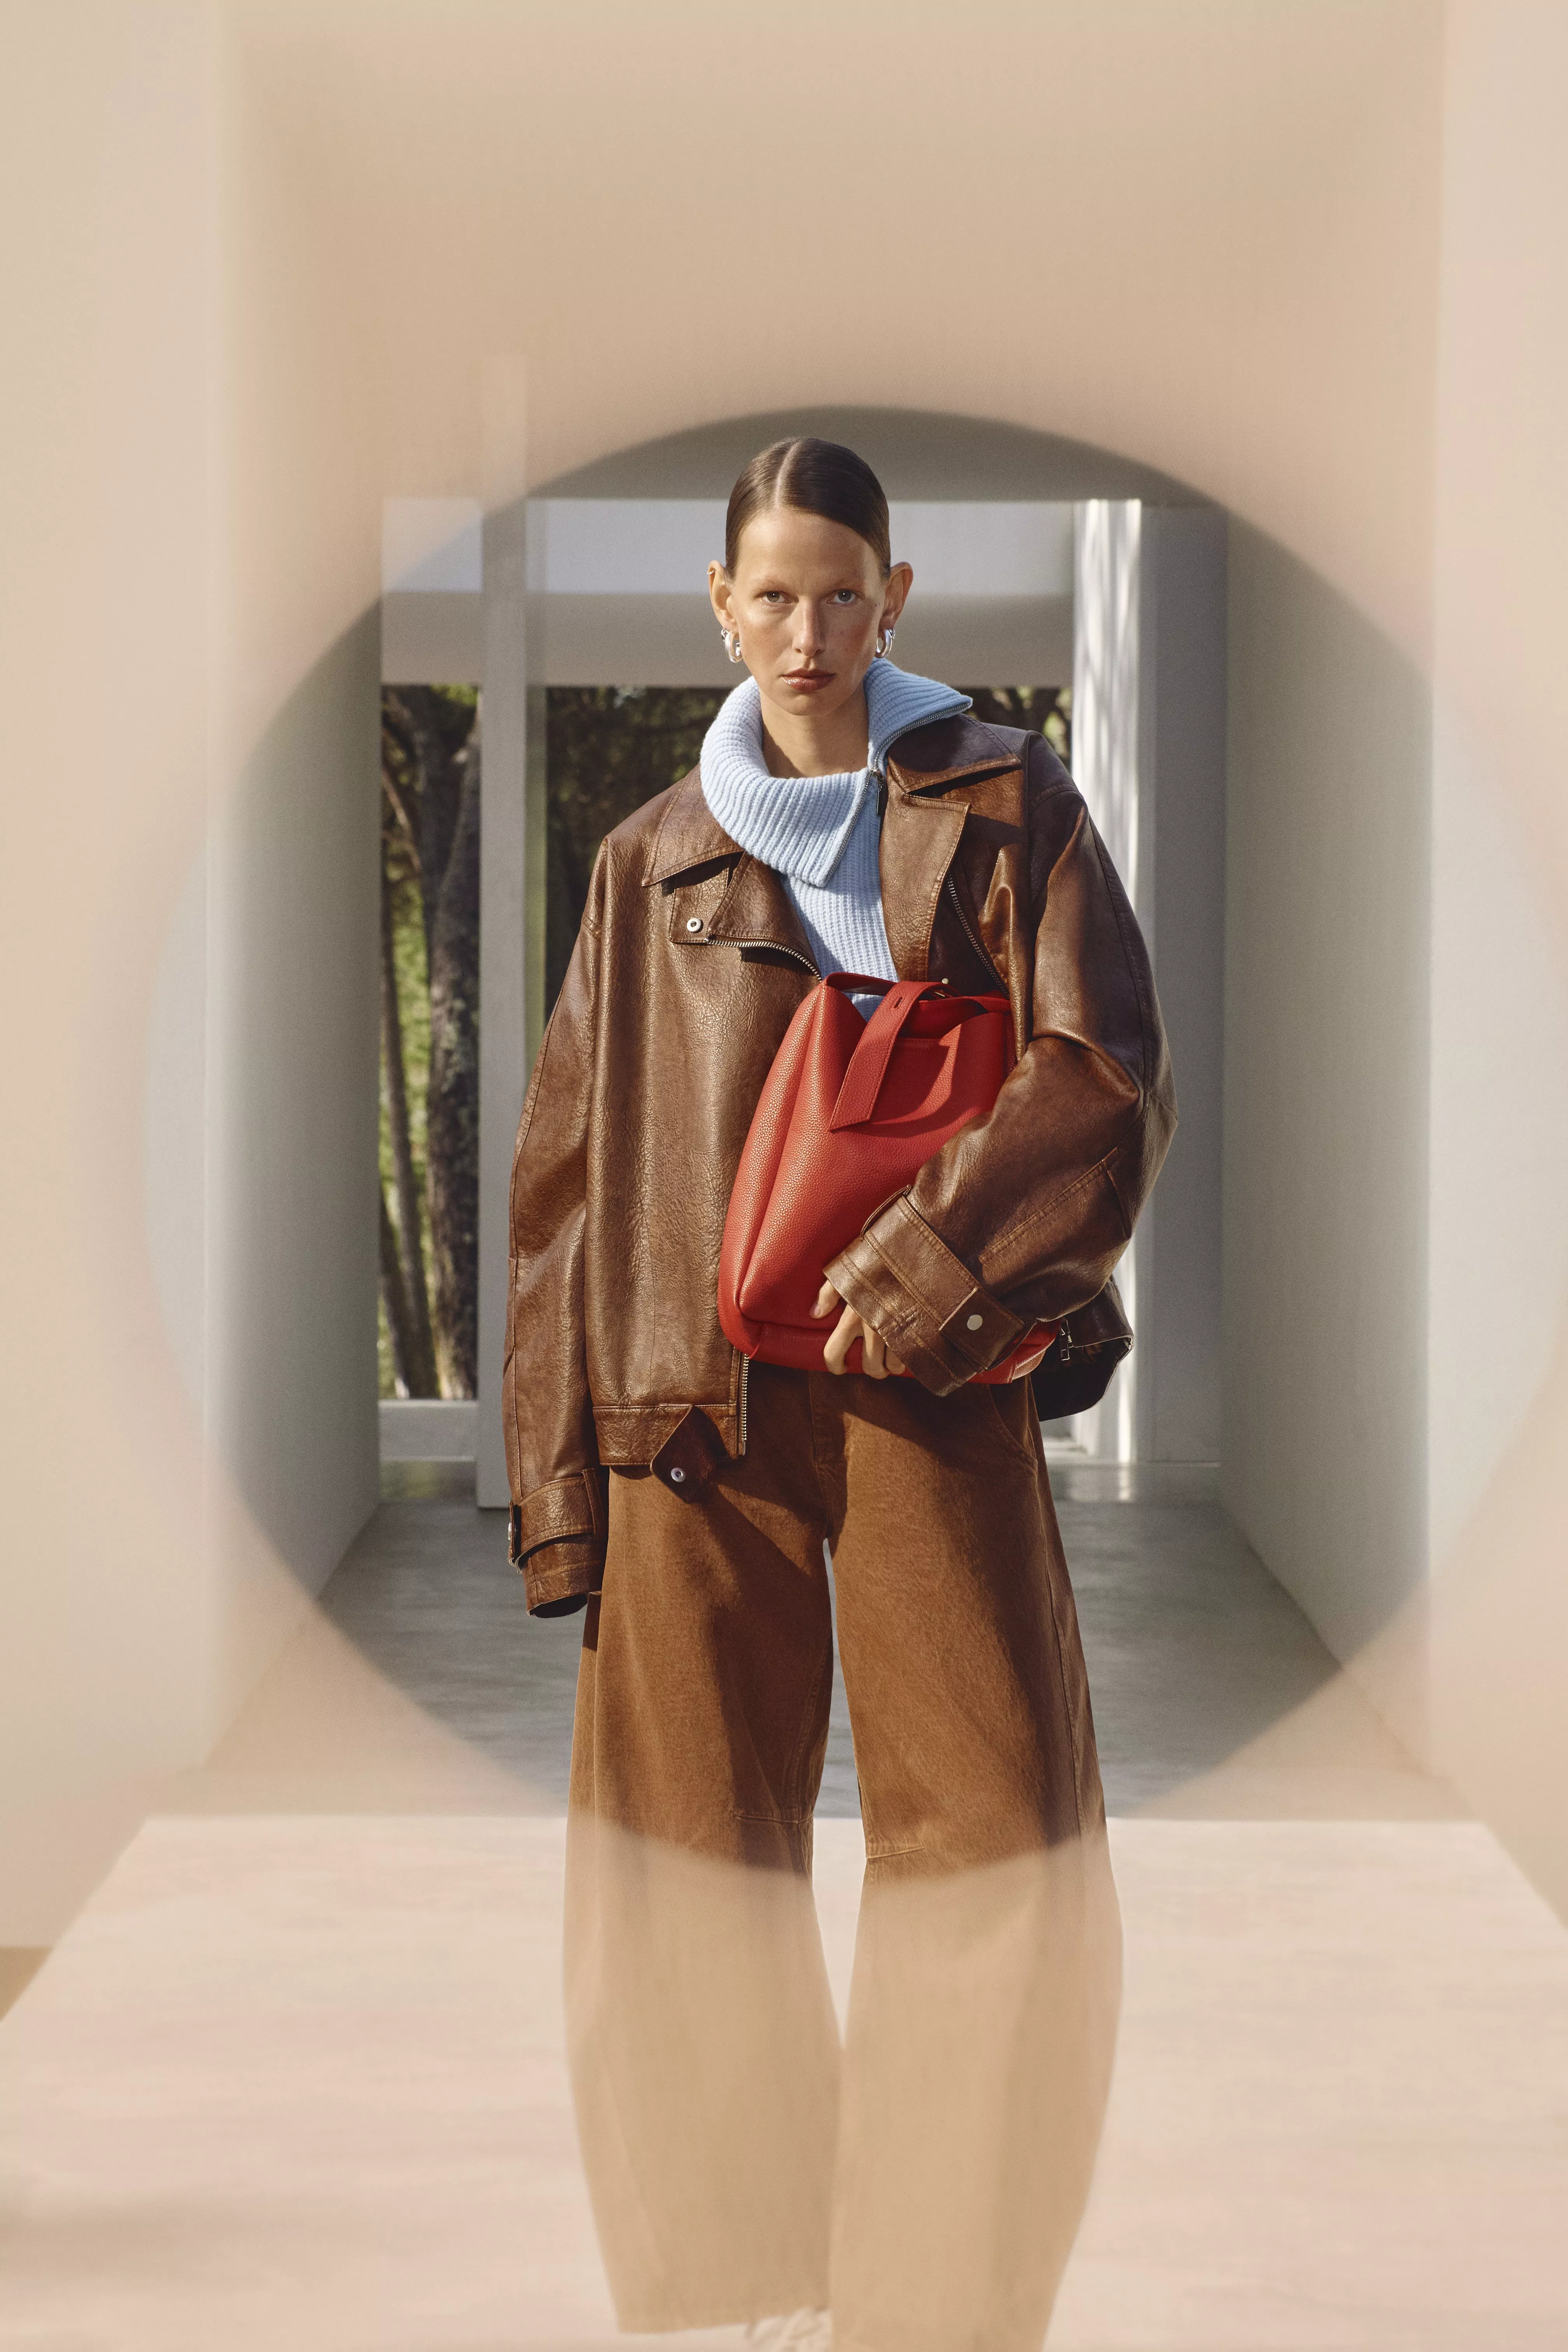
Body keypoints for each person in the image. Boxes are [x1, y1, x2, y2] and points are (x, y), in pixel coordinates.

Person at [504, 437, 1175, 2350]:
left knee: (999, 1840)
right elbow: (565, 1177)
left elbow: (1107, 1070)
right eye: (769, 595)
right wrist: (561, 1490)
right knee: (679, 1866)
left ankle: (939, 2303)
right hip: (685, 1407)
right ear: (721, 607)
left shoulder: (1004, 798)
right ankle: (732, 2295)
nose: (804, 630)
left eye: (840, 591)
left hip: (925, 1382)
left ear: (899, 598)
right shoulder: (648, 861)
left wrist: (933, 1273)